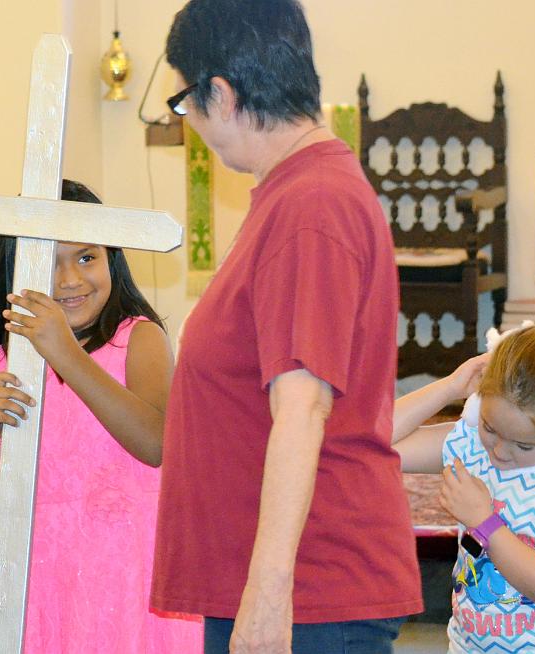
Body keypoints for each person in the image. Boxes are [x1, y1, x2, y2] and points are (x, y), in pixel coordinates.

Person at [151, 1, 423, 652]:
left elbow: (303, 407)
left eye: (184, 103)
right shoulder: (296, 192)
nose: (191, 124)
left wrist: (270, 593)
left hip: (309, 591)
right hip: (281, 582)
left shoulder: (312, 204)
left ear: (220, 94)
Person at [0, 180, 203, 652]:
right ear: (14, 273)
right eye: (49, 263)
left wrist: (64, 352)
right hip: (41, 588)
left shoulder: (139, 340)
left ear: (112, 258)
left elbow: (155, 444)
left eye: (86, 257)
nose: (69, 280)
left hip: (133, 584)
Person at [393, 321, 535, 653]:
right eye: (490, 427)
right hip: (467, 645)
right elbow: (377, 440)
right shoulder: (473, 447)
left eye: (524, 445)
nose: (500, 452)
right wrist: (450, 386)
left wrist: (484, 522)